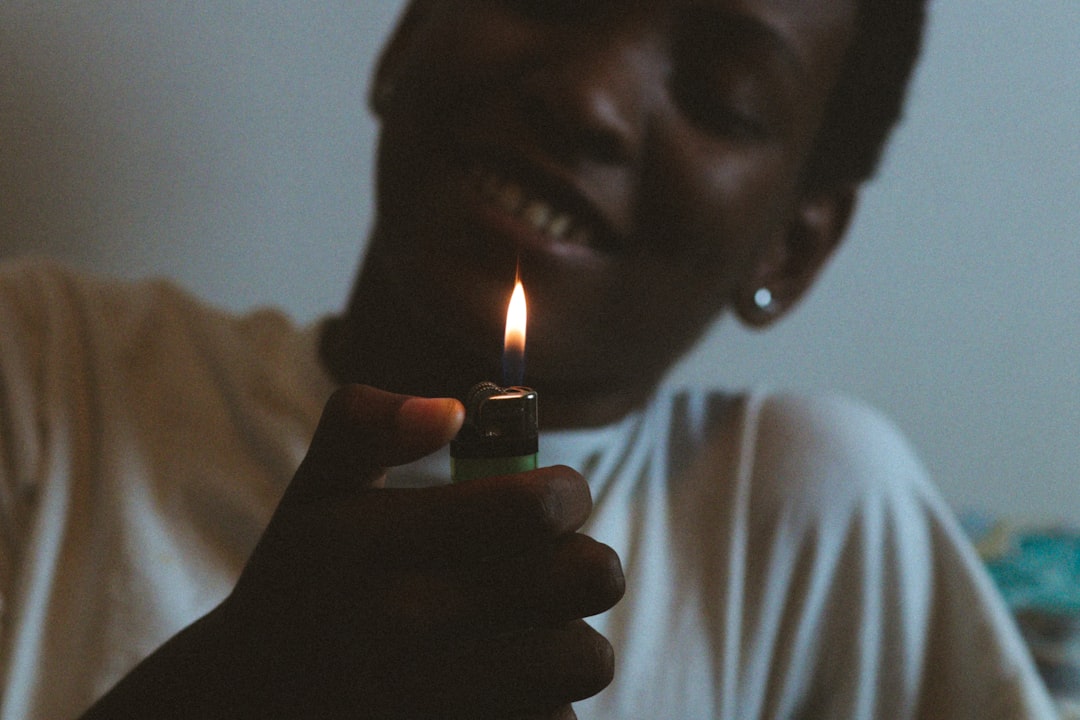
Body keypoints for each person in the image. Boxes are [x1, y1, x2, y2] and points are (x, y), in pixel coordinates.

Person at [0, 0, 1058, 718]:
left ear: (791, 246)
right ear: (405, 36)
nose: (588, 96)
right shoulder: (43, 369)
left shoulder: (800, 512)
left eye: (722, 94)